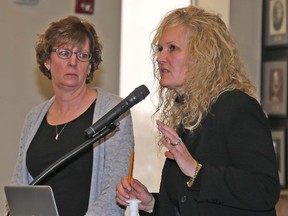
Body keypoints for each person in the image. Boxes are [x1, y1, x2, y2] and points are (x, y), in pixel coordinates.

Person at [116, 5, 280, 216]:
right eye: (160, 48)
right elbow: (188, 204)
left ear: (202, 56)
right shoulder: (190, 115)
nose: (160, 57)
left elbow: (264, 190)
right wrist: (150, 203)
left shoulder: (237, 107)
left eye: (172, 48)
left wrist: (195, 171)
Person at [7, 16, 134, 216]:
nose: (73, 62)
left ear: (90, 65)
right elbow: (20, 185)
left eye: (82, 55)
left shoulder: (114, 111)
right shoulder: (33, 118)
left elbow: (114, 193)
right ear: (47, 61)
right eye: (64, 53)